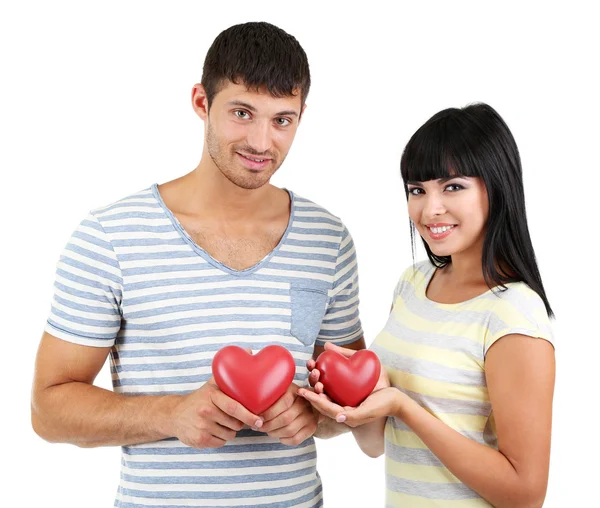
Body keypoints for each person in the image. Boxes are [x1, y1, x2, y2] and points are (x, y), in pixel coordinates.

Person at [31, 21, 364, 507]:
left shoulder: (327, 239)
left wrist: (317, 416)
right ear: (201, 103)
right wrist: (171, 414)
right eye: (242, 112)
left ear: (301, 117)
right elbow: (48, 408)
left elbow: (349, 398)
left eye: (282, 120)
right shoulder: (111, 236)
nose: (261, 141)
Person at [300, 103, 555, 507]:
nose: (429, 208)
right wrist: (351, 401)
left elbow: (525, 493)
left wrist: (406, 408)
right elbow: (376, 445)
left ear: (497, 185)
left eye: (452, 186)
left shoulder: (512, 313)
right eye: (417, 190)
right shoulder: (413, 283)